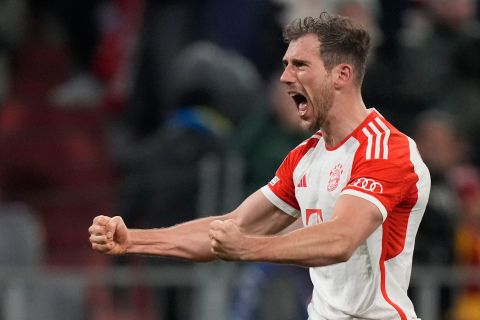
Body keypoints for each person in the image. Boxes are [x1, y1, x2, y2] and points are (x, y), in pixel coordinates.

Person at [89, 12, 431, 320]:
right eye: (285, 64)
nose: (284, 78)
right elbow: (231, 227)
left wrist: (249, 248)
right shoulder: (305, 157)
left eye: (300, 65)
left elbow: (342, 238)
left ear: (341, 74)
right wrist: (133, 240)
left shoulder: (386, 150)